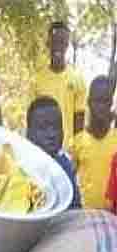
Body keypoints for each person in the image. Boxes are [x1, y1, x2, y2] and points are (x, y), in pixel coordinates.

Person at [30, 22, 87, 151]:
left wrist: (77, 151)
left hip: (67, 151)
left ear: (67, 45)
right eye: (54, 41)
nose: (58, 46)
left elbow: (79, 120)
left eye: (62, 42)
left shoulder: (77, 79)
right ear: (48, 44)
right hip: (41, 149)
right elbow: (32, 120)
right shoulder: (37, 80)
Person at [27, 96, 81, 210]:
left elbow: (75, 207)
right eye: (43, 128)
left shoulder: (65, 166)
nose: (52, 134)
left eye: (56, 127)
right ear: (29, 133)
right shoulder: (24, 169)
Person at [71, 76, 117, 210]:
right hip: (85, 217)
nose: (101, 107)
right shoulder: (77, 142)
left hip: (112, 219)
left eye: (106, 101)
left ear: (110, 105)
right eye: (97, 101)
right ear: (89, 103)